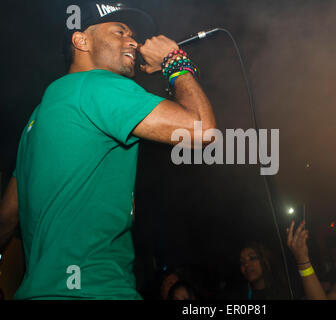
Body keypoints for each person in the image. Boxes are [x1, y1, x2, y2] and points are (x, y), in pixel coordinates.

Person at [0, 1, 216, 299]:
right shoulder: (99, 85)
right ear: (81, 40)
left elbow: (7, 217)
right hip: (96, 291)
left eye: (133, 34)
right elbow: (201, 130)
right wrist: (174, 61)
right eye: (119, 31)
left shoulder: (39, 115)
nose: (133, 41)